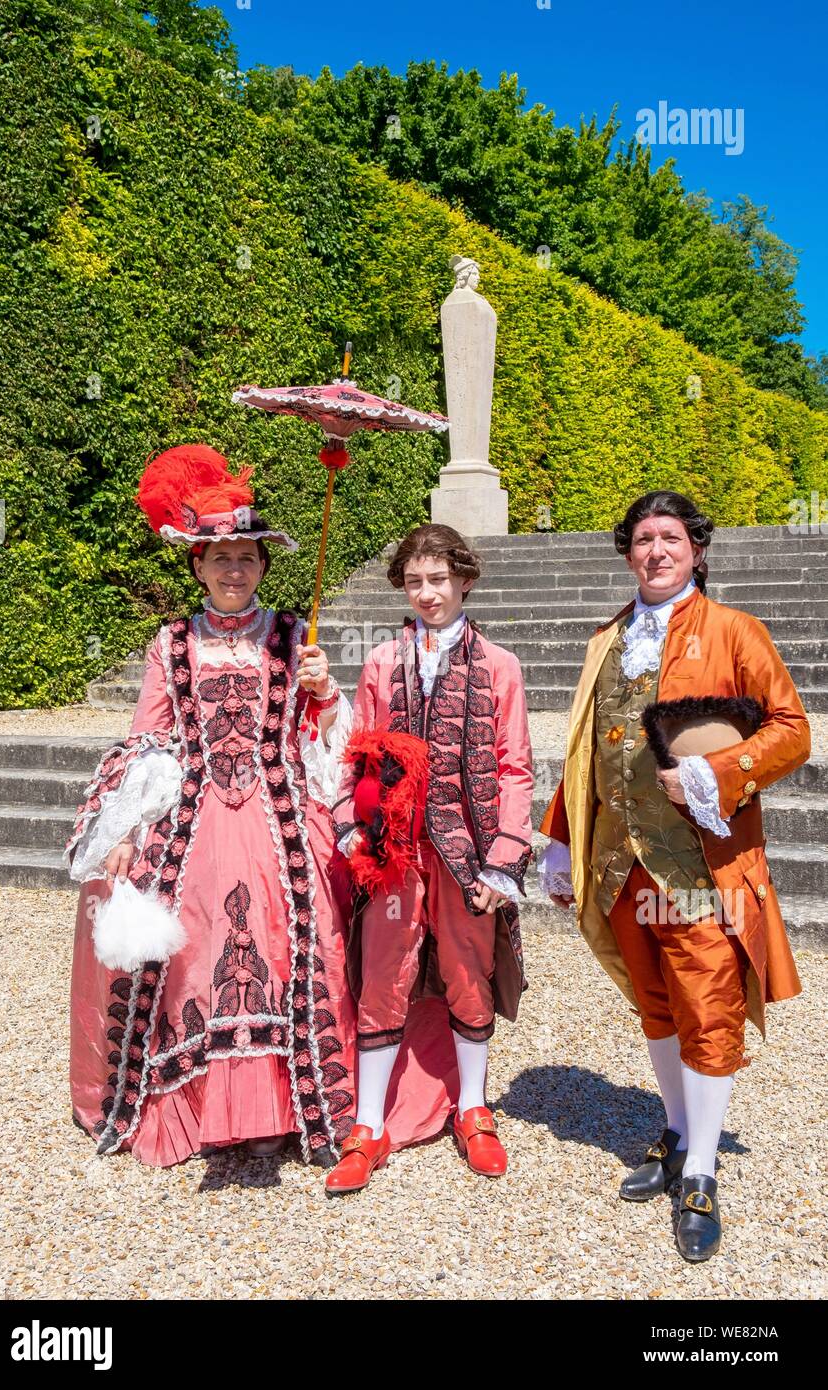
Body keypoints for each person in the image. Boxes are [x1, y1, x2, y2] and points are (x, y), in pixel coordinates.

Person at [537, 491, 810, 1261]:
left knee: (707, 1001)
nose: (655, 550)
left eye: (671, 538)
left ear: (694, 549)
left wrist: (714, 773)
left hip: (694, 864)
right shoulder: (606, 637)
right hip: (618, 860)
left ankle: (698, 1168)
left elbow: (792, 730)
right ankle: (676, 1127)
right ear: (627, 551)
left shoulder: (733, 630)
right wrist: (561, 840)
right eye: (642, 539)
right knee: (654, 999)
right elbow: (586, 748)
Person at [65, 444, 356, 1167]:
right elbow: (149, 738)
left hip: (279, 821)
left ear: (263, 565)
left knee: (292, 951)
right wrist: (130, 827)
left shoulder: (296, 638)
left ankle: (281, 1110)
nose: (233, 570)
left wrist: (322, 691)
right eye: (219, 557)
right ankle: (196, 1109)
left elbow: (326, 744)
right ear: (196, 566)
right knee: (195, 958)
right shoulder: (170, 643)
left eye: (247, 557)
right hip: (193, 823)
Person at [324, 524, 534, 1192]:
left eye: (438, 579)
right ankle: (369, 1124)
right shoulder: (383, 661)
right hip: (394, 851)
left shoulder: (499, 665)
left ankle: (473, 1109)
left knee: (469, 973)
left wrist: (503, 860)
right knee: (382, 972)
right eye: (414, 581)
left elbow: (514, 766)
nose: (427, 593)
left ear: (464, 580)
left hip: (467, 850)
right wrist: (349, 824)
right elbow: (357, 751)